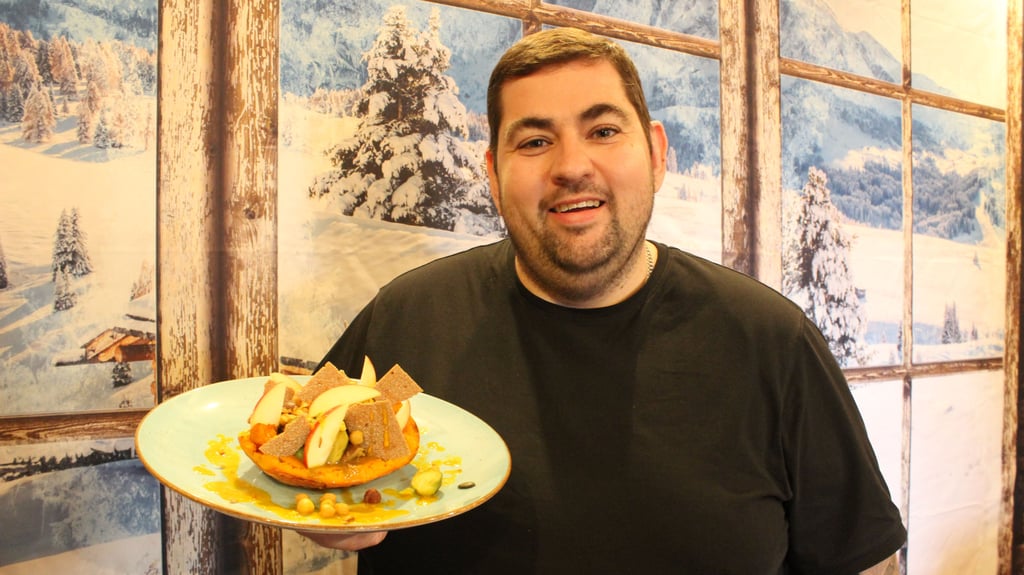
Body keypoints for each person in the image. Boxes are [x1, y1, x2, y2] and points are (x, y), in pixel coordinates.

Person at [302, 26, 906, 574]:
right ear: (492, 172)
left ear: (657, 152)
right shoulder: (409, 317)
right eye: (535, 141)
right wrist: (324, 499)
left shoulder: (772, 342)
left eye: (604, 131)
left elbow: (864, 563)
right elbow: (295, 442)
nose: (571, 165)